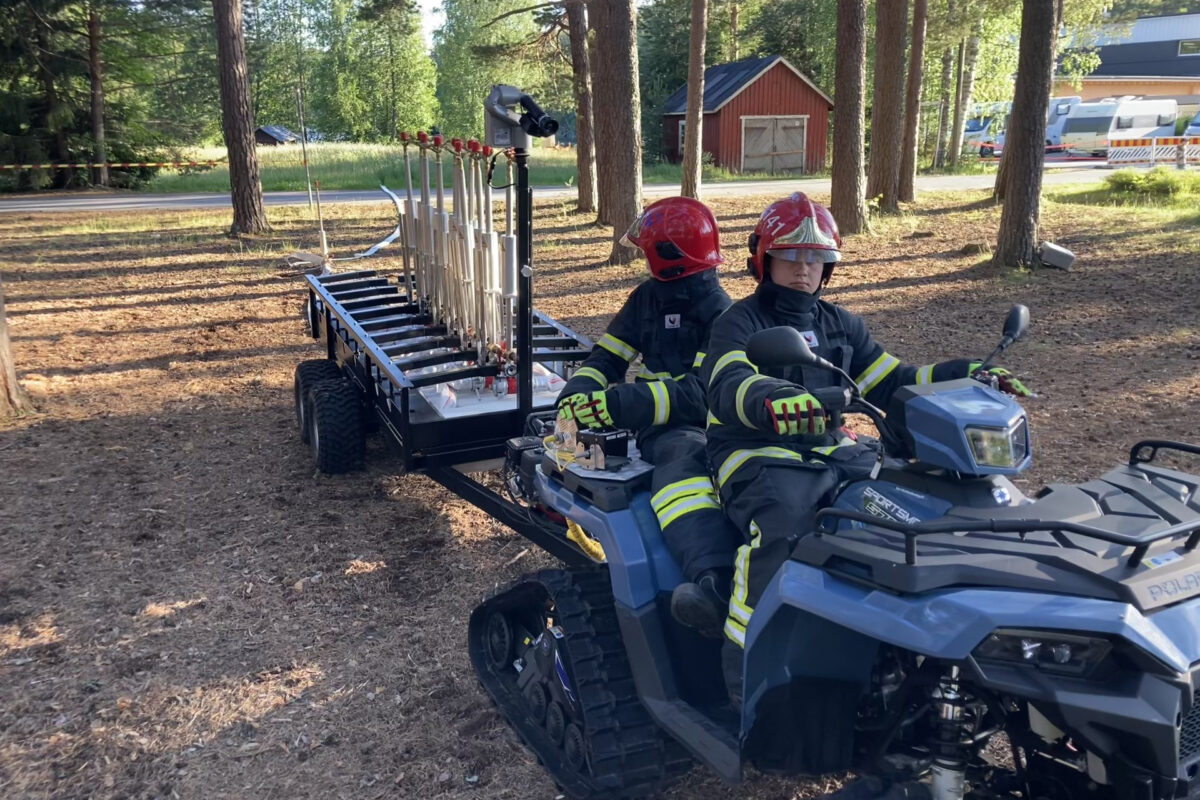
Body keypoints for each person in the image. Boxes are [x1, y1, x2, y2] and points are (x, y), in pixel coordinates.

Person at [701, 193, 1032, 703]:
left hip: (831, 449)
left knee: (908, 514)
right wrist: (776, 400)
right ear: (763, 259)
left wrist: (966, 373)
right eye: (791, 257)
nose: (804, 269)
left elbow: (893, 380)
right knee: (784, 525)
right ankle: (750, 673)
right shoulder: (739, 323)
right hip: (754, 453)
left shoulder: (840, 324)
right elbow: (727, 382)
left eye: (816, 258)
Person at [557, 196, 743, 638]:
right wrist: (577, 395)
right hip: (654, 423)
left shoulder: (723, 314)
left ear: (668, 258)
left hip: (700, 429)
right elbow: (609, 356)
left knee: (681, 472)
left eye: (647, 251)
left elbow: (701, 396)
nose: (642, 259)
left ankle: (713, 584)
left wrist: (619, 405)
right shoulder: (647, 299)